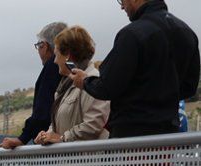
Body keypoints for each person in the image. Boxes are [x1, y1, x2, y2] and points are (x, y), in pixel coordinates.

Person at [70, 0, 199, 138]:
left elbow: (107, 86)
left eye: (123, 0)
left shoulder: (132, 34)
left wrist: (84, 81)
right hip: (168, 136)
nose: (121, 6)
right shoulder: (187, 33)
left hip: (132, 138)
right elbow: (189, 88)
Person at [35, 26, 111, 145]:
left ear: (67, 56)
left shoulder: (92, 80)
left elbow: (94, 124)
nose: (55, 61)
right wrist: (47, 134)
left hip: (87, 160)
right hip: (70, 160)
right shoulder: (66, 85)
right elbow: (60, 122)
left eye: (57, 55)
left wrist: (62, 138)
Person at [0, 22, 67, 149]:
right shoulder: (74, 67)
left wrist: (22, 139)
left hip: (52, 144)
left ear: (45, 46)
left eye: (38, 46)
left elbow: (43, 109)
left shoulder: (52, 67)